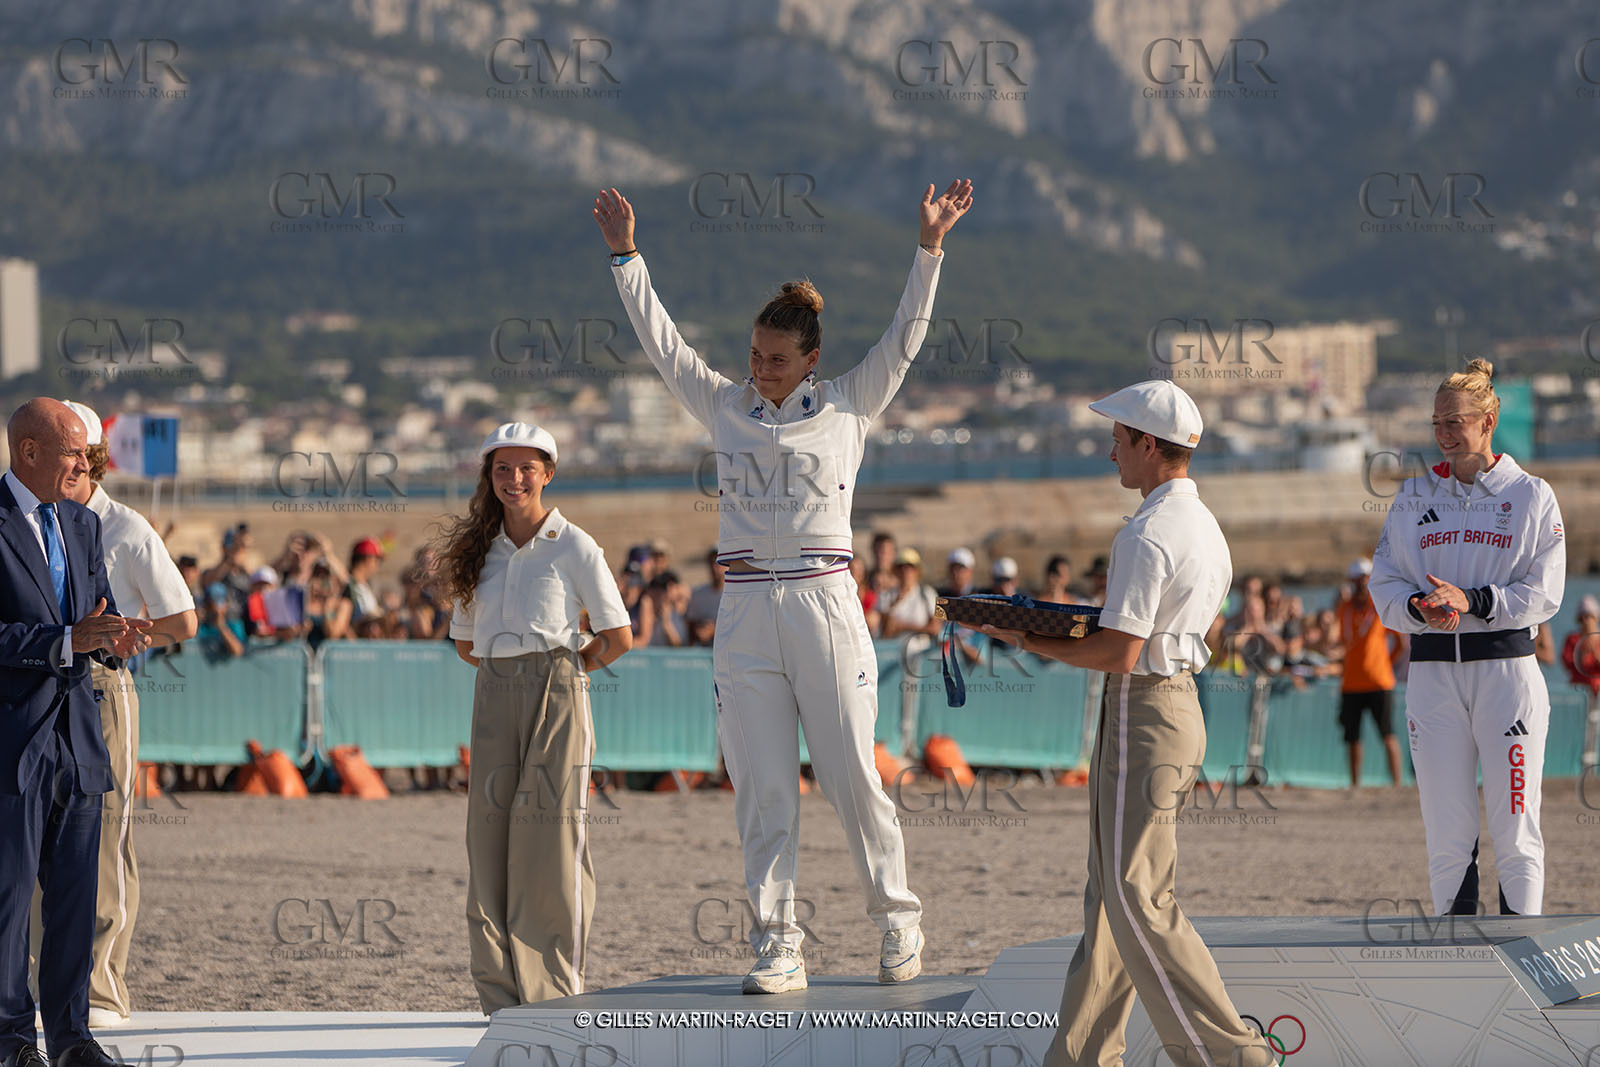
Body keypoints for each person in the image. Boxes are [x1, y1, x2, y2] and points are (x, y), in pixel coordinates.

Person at [594, 177, 971, 992]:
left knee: (852, 776)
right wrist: (627, 255)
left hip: (825, 602)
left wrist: (929, 250)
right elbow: (664, 345)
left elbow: (904, 338)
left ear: (811, 359)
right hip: (746, 611)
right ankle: (778, 944)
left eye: (776, 359)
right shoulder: (725, 406)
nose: (760, 370)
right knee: (763, 788)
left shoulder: (848, 406)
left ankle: (898, 923)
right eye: (755, 355)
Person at [971, 380, 1274, 1067]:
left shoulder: (1147, 530)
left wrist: (1026, 636)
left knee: (1134, 894)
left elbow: (1119, 650)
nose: (1110, 452)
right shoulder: (1204, 525)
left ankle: (1233, 1056)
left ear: (1147, 444)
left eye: (1117, 439)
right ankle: (1080, 1057)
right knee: (1114, 895)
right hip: (1173, 703)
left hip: (1144, 707)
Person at [438, 422, 632, 1011]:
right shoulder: (478, 552)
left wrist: (566, 672)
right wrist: (510, 672)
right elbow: (466, 643)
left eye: (527, 468)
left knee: (551, 839)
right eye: (503, 468)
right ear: (488, 476)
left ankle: (553, 992)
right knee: (488, 840)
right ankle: (500, 997)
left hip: (558, 687)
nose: (514, 478)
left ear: (547, 473)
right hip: (494, 689)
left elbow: (618, 635)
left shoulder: (574, 544)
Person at [1369, 358, 1565, 917]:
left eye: (1455, 422)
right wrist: (1417, 608)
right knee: (1446, 834)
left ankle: (1522, 977)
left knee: (1516, 828)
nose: (1445, 435)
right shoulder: (1413, 498)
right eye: (1437, 423)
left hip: (1506, 677)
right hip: (1431, 679)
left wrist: (1474, 601)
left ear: (1489, 419)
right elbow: (1385, 585)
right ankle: (1458, 967)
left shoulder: (1531, 495)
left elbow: (1546, 593)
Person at [29, 402, 196, 1031]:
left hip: (101, 686)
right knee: (34, 839)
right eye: (56, 453)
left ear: (94, 459)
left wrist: (123, 630)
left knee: (103, 841)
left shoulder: (125, 526)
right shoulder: (29, 520)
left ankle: (101, 990)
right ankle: (42, 987)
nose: (67, 467)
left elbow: (185, 620)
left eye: (77, 456)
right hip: (40, 683)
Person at [1, 398, 151, 1067]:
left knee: (73, 896)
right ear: (28, 451)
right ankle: (10, 1040)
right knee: (8, 900)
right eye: (72, 451)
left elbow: (99, 613)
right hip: (14, 742)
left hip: (79, 739)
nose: (83, 464)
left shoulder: (84, 525)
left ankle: (70, 1037)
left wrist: (117, 637)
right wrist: (64, 640)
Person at [1336, 557, 1404, 788]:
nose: (1360, 585)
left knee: (1388, 734)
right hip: (1351, 683)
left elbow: (1401, 642)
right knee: (1352, 737)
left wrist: (1385, 663)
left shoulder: (1379, 608)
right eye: (1356, 581)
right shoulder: (1344, 608)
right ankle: (1355, 784)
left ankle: (1396, 784)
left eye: (1363, 580)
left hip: (1379, 682)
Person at [881, 547, 941, 640]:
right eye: (901, 567)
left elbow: (935, 629)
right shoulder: (886, 596)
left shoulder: (928, 593)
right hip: (893, 651)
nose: (905, 571)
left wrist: (902, 627)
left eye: (910, 567)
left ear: (917, 571)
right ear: (896, 571)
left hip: (922, 650)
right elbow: (884, 632)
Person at [344, 538, 384, 637]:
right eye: (377, 560)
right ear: (368, 559)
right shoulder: (347, 585)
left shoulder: (365, 586)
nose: (378, 565)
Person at [1561, 596, 1600, 696]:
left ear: (1595, 618)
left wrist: (1595, 655)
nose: (1585, 621)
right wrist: (1583, 654)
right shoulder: (1572, 639)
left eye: (1588, 616)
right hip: (1577, 693)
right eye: (1581, 618)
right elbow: (1567, 664)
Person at [686, 548, 725, 647]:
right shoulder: (698, 593)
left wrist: (715, 630)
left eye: (719, 563)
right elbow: (690, 624)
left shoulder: (736, 594)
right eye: (711, 563)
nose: (714, 567)